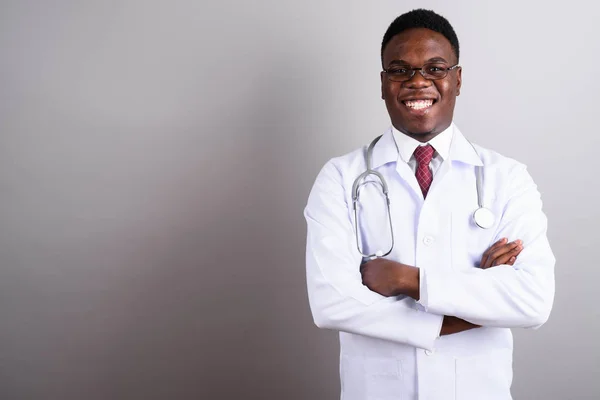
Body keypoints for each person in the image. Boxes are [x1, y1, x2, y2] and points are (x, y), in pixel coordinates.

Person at [303, 9, 555, 400]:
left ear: (457, 79)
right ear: (384, 83)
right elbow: (332, 304)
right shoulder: (340, 177)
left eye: (435, 68)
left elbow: (533, 300)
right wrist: (475, 305)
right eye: (400, 70)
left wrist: (409, 281)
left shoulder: (507, 178)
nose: (418, 82)